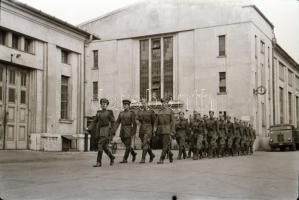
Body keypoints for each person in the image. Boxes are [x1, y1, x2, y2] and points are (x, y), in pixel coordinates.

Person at [87, 98, 115, 167]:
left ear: (107, 105)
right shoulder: (98, 113)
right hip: (100, 130)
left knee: (100, 144)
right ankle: (111, 157)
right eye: (102, 104)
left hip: (106, 130)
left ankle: (98, 162)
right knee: (104, 147)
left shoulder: (109, 112)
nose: (103, 105)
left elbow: (113, 122)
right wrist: (89, 128)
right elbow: (94, 121)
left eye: (105, 104)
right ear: (101, 105)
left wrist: (112, 132)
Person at [115, 99, 137, 163]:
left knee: (127, 145)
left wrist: (133, 132)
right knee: (126, 143)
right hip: (122, 130)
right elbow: (117, 122)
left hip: (128, 130)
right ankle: (133, 153)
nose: (125, 106)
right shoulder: (121, 113)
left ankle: (125, 159)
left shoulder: (131, 113)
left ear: (129, 105)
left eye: (126, 105)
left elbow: (134, 124)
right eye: (124, 105)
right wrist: (114, 130)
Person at [154, 97, 175, 164]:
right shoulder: (159, 112)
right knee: (164, 144)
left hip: (167, 130)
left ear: (167, 103)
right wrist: (155, 129)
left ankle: (161, 159)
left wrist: (172, 131)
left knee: (165, 145)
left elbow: (173, 122)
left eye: (165, 103)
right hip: (160, 131)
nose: (163, 104)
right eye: (162, 103)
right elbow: (156, 122)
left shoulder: (170, 111)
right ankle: (170, 154)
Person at [137, 99, 156, 163]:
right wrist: (138, 123)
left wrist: (153, 130)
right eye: (142, 103)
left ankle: (143, 158)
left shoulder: (151, 111)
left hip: (148, 128)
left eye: (144, 103)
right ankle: (151, 155)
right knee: (146, 143)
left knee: (145, 143)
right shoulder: (140, 111)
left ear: (147, 103)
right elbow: (136, 119)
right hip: (142, 128)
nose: (143, 104)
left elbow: (154, 121)